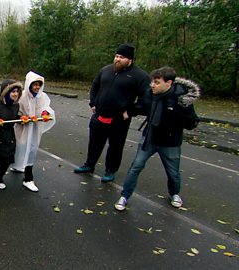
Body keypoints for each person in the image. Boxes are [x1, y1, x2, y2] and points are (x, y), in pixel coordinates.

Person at [114, 66, 200, 211]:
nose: (152, 85)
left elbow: (192, 123)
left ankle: (174, 194)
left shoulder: (181, 99)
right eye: (152, 82)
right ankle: (124, 196)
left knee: (173, 172)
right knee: (136, 166)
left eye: (157, 82)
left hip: (170, 142)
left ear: (169, 83)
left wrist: (181, 111)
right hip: (150, 138)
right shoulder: (150, 94)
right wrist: (128, 111)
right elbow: (140, 106)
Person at [74, 43, 150, 182]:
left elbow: (146, 98)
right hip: (99, 116)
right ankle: (89, 165)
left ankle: (110, 171)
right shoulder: (106, 70)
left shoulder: (140, 76)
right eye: (116, 56)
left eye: (121, 57)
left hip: (119, 119)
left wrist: (131, 111)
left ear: (130, 60)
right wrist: (93, 102)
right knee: (94, 143)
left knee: (115, 147)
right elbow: (95, 85)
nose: (117, 59)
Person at [10, 71, 55, 192]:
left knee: (31, 150)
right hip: (23, 128)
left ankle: (28, 179)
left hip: (35, 128)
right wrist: (21, 118)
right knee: (20, 147)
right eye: (34, 84)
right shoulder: (22, 96)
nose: (37, 87)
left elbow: (46, 107)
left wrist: (45, 113)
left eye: (39, 84)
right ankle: (17, 166)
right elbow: (15, 111)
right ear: (29, 84)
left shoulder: (42, 96)